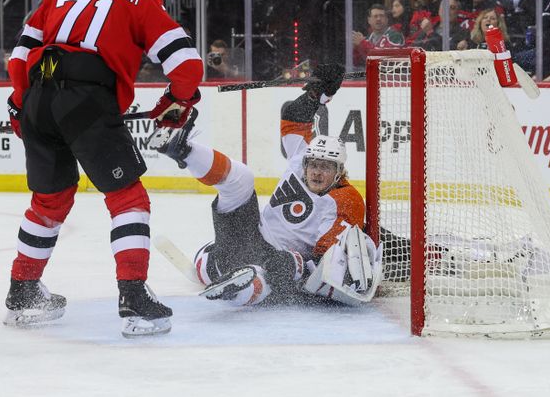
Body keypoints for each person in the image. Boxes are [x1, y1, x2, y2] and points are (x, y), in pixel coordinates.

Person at [3, 0, 203, 337]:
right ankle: (134, 298)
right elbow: (186, 64)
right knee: (128, 199)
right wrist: (178, 99)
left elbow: (20, 55)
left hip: (40, 93)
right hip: (88, 99)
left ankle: (21, 292)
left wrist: (21, 104)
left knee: (49, 201)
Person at [154, 64, 383, 307]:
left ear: (339, 171)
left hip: (275, 259)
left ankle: (236, 281)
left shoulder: (346, 199)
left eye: (326, 167)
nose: (316, 171)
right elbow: (295, 116)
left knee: (282, 267)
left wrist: (296, 270)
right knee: (242, 178)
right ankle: (181, 148)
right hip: (246, 233)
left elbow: (325, 260)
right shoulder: (298, 159)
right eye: (313, 164)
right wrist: (318, 94)